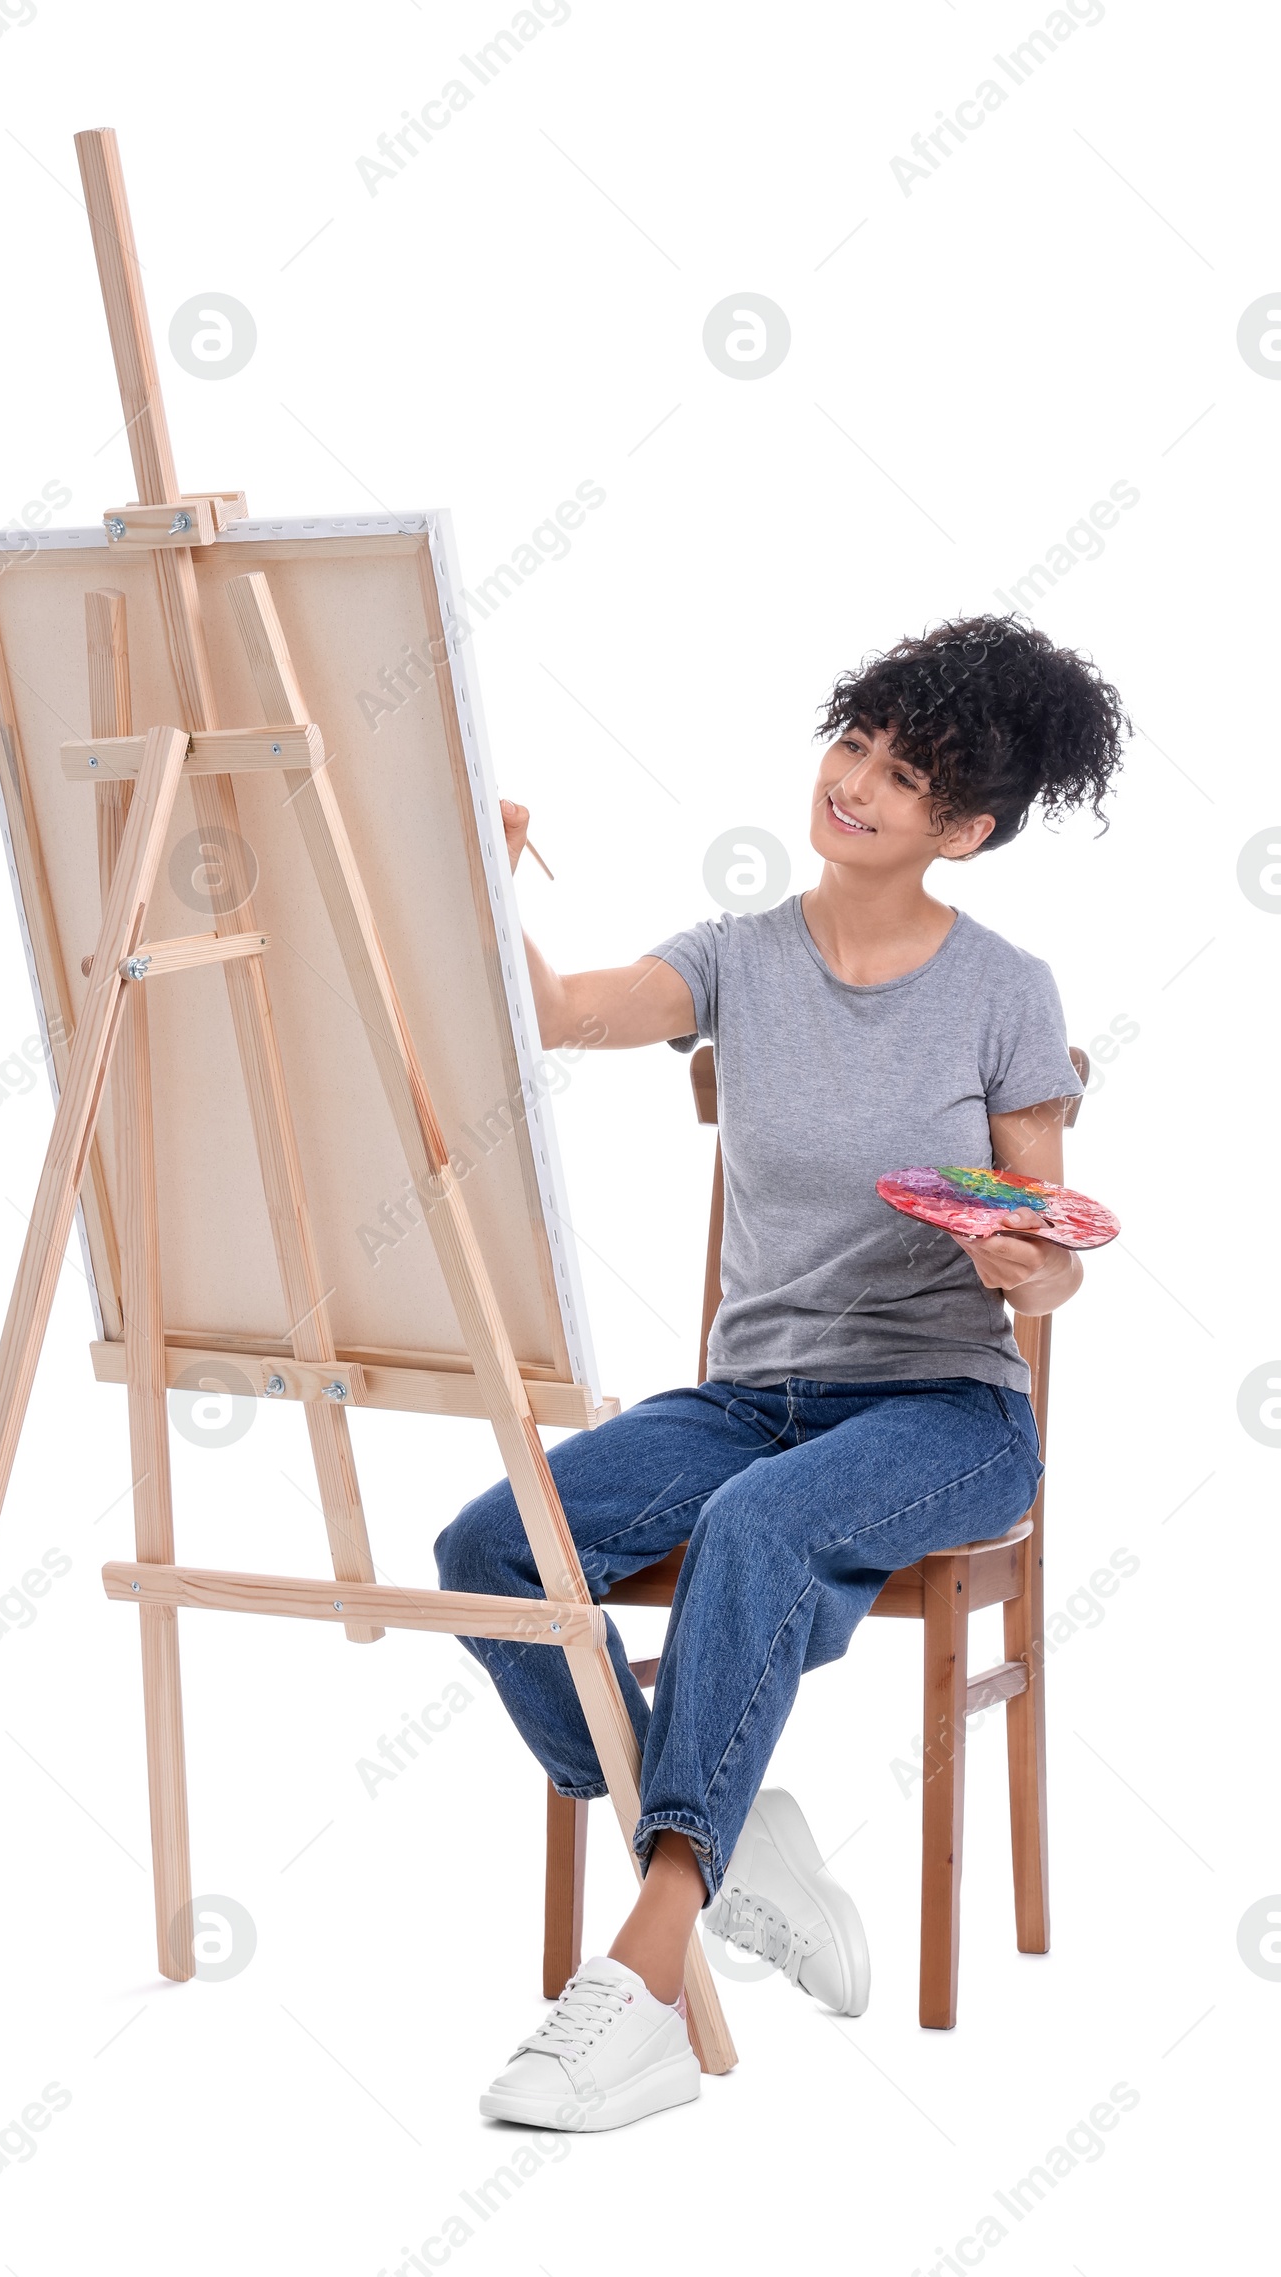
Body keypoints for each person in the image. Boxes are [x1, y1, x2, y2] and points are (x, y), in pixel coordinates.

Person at [434, 614, 1128, 2132]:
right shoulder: (739, 956)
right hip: (752, 1397)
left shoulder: (1008, 990)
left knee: (756, 1525)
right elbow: (553, 1016)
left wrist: (1033, 1268)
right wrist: (467, 868)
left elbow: (1053, 1240)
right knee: (489, 1547)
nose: (859, 785)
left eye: (907, 777)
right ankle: (735, 1833)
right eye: (856, 745)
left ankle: (647, 1979)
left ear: (967, 829)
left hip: (947, 1410)